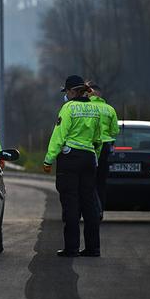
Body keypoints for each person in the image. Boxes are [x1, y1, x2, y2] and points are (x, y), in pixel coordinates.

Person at [42, 75, 103, 257]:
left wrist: (48, 160)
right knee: (89, 203)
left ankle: (72, 248)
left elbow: (59, 136)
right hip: (89, 158)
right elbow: (98, 138)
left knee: (70, 203)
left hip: (70, 160)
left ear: (71, 91)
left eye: (66, 91)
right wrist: (95, 158)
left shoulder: (68, 108)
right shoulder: (95, 109)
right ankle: (93, 248)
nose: (66, 95)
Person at [87, 81, 119, 218]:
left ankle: (88, 209)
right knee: (101, 181)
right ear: (100, 95)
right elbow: (115, 131)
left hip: (90, 146)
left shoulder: (86, 107)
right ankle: (100, 211)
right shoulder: (110, 109)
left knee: (88, 180)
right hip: (105, 147)